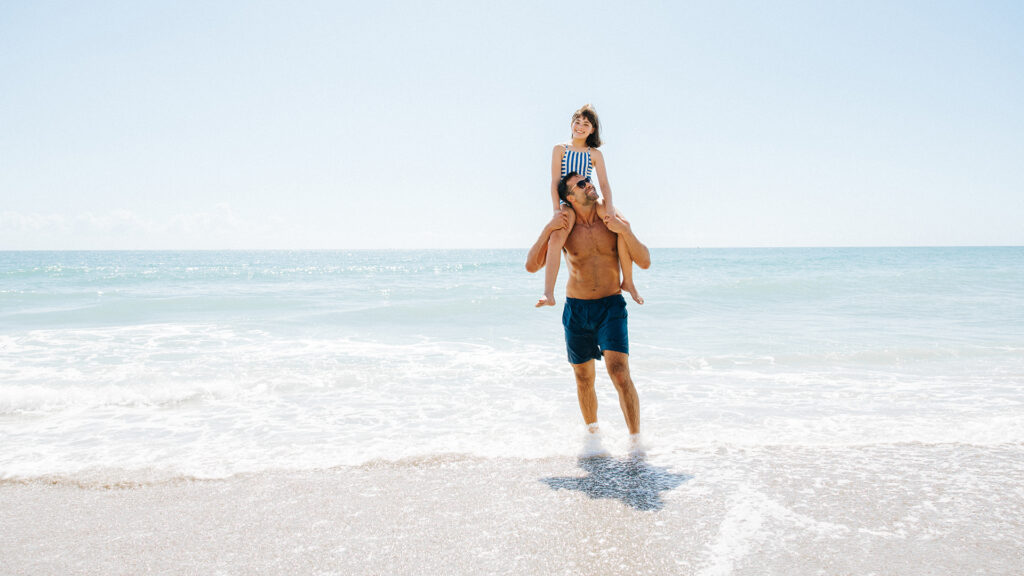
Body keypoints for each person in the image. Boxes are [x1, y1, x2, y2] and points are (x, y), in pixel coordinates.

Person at [526, 171, 651, 456]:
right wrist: (547, 229)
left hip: (611, 305)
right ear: (570, 197)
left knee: (619, 372)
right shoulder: (565, 224)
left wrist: (625, 230)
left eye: (588, 180)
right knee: (584, 378)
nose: (589, 184)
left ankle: (635, 444)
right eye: (581, 184)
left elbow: (645, 261)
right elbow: (532, 266)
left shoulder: (610, 214)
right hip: (577, 310)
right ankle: (594, 441)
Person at [536, 104, 643, 308]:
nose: (581, 126)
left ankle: (628, 282)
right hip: (568, 201)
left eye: (586, 124)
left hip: (591, 198)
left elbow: (604, 184)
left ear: (592, 129)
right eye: (578, 122)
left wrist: (609, 209)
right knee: (557, 236)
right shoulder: (560, 149)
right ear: (572, 124)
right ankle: (548, 293)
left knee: (621, 225)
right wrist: (556, 210)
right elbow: (554, 182)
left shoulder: (594, 154)